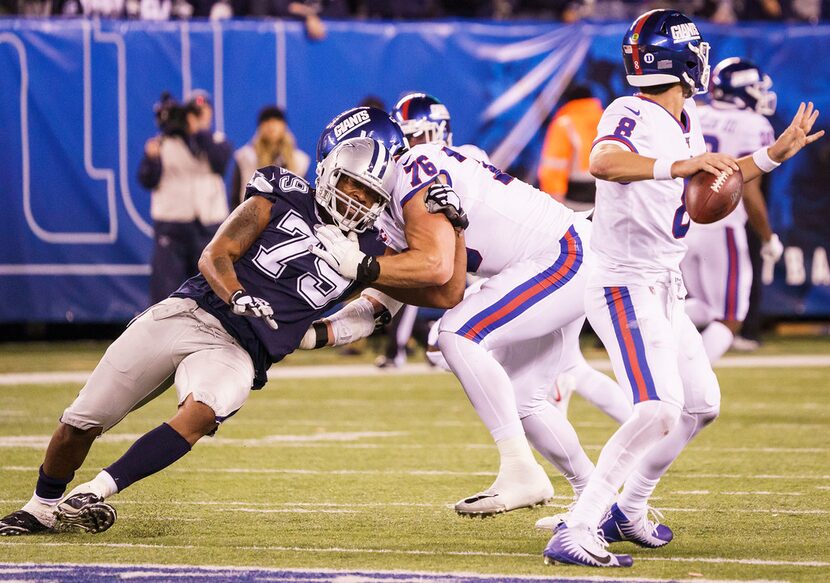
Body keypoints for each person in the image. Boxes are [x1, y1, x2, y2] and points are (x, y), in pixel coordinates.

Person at [0, 137, 401, 536]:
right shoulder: (282, 194)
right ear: (330, 172)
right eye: (354, 184)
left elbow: (381, 308)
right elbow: (215, 253)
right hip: (191, 311)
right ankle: (40, 507)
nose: (360, 200)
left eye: (371, 194)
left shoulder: (370, 252)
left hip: (241, 349)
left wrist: (317, 335)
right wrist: (237, 294)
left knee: (202, 411)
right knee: (82, 421)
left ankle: (93, 491)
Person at [542, 9, 822, 568]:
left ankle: (629, 510)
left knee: (701, 406)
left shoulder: (684, 115)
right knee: (658, 409)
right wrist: (680, 163)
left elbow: (715, 172)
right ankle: (577, 527)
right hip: (624, 282)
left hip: (663, 285)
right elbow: (604, 161)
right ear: (683, 58)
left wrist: (773, 154)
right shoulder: (631, 110)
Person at [306, 106, 608, 517]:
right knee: (524, 400)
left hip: (564, 252)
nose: (349, 192)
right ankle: (600, 502)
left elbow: (435, 269)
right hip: (561, 256)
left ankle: (522, 472)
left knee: (456, 335)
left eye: (350, 175)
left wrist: (362, 266)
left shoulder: (416, 166)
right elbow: (419, 296)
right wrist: (318, 333)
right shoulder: (389, 215)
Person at [682, 58, 784, 363]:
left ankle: (640, 321)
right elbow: (749, 191)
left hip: (686, 223)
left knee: (701, 305)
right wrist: (767, 237)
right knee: (729, 319)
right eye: (754, 87)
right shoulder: (753, 124)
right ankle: (686, 382)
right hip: (721, 226)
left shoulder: (696, 114)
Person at [138, 90, 233, 305]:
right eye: (193, 112)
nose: (198, 115)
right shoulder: (163, 143)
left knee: (210, 289)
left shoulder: (217, 140)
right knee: (166, 289)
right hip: (173, 226)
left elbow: (219, 164)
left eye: (202, 110)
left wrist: (199, 132)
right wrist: (152, 158)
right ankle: (163, 335)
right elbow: (146, 179)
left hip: (208, 226)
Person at [230, 106, 311, 210]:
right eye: (267, 121)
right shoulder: (245, 157)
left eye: (276, 121)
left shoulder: (299, 160)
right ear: (260, 127)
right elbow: (235, 197)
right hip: (252, 218)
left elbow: (303, 198)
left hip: (289, 220)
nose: (272, 126)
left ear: (284, 125)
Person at [537, 84, 604, 211]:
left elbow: (554, 168)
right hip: (607, 200)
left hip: (575, 202)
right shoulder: (607, 119)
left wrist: (553, 204)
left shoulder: (564, 124)